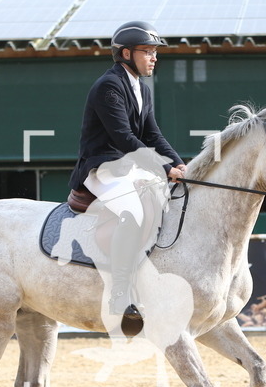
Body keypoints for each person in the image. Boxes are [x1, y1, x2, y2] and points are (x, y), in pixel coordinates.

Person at [68, 20, 187, 334]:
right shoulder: (109, 86)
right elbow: (123, 138)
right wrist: (162, 168)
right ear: (125, 53)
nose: (153, 57)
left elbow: (152, 134)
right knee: (132, 212)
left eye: (154, 52)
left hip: (129, 167)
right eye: (147, 51)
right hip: (102, 167)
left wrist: (179, 164)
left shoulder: (142, 89)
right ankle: (119, 296)